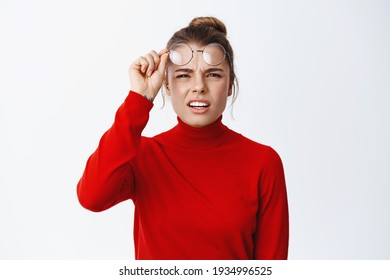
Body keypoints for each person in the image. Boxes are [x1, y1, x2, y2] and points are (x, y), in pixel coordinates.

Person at [77, 16, 289, 260]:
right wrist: (139, 99)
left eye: (213, 75)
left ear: (230, 84)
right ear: (166, 85)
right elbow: (91, 197)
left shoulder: (263, 162)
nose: (198, 86)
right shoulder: (143, 154)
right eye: (183, 75)